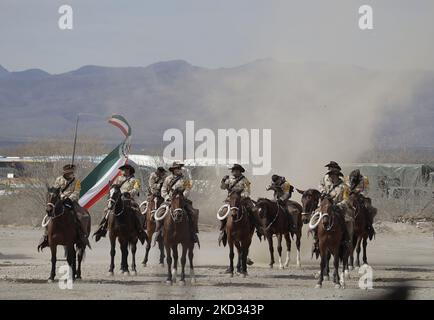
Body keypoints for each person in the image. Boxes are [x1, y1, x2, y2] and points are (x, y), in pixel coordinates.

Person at [37, 164, 90, 251]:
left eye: (72, 172)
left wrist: (69, 198)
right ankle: (46, 235)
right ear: (65, 172)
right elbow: (55, 190)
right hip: (59, 200)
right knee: (49, 216)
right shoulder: (59, 179)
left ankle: (81, 234)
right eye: (69, 172)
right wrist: (61, 196)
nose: (71, 174)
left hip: (72, 201)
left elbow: (77, 192)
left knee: (82, 216)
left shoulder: (76, 181)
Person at [93, 164, 146, 244]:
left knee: (136, 210)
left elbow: (136, 189)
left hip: (129, 199)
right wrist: (116, 193)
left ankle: (139, 229)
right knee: (107, 209)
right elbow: (113, 187)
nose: (124, 171)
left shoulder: (135, 180)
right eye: (123, 169)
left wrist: (128, 193)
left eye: (126, 169)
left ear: (129, 170)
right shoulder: (118, 179)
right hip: (118, 198)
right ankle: (102, 227)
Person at [153, 162, 199, 245]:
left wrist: (182, 196)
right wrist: (167, 198)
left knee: (193, 213)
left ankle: (193, 232)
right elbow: (163, 189)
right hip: (169, 200)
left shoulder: (186, 179)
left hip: (182, 200)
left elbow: (188, 188)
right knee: (159, 213)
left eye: (179, 168)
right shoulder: (167, 179)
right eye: (176, 168)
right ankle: (159, 232)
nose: (178, 170)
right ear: (173, 170)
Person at [219, 164, 261, 246]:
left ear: (239, 171)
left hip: (243, 199)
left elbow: (247, 191)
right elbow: (222, 187)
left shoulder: (245, 180)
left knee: (253, 210)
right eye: (233, 170)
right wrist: (223, 181)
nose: (234, 171)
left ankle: (258, 227)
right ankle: (223, 230)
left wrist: (241, 196)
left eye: (236, 170)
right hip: (231, 199)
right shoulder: (229, 179)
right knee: (222, 212)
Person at [349, 169, 376, 240]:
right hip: (351, 196)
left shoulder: (365, 179)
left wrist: (360, 193)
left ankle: (369, 225)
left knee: (369, 208)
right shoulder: (348, 179)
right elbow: (347, 188)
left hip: (362, 196)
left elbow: (367, 189)